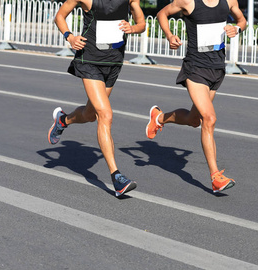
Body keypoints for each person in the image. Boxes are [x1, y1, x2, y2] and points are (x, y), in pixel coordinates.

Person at [49, 0, 146, 197]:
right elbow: (60, 16)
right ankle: (117, 177)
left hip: (113, 61)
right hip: (90, 60)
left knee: (90, 114)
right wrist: (70, 37)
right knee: (105, 115)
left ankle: (63, 120)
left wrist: (132, 28)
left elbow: (142, 23)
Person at [149, 0, 246, 193]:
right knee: (209, 119)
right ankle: (215, 176)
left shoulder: (229, 1)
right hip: (195, 68)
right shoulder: (187, 1)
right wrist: (169, 35)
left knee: (194, 120)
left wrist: (237, 29)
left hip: (218, 69)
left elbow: (242, 20)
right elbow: (162, 14)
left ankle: (159, 118)